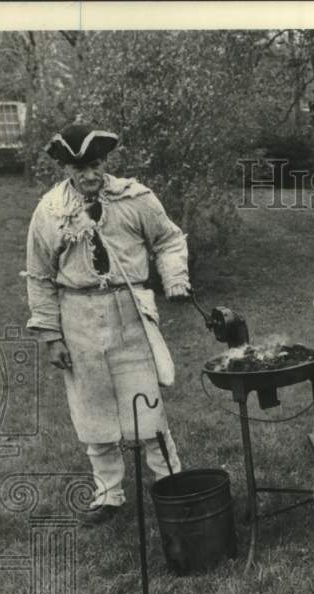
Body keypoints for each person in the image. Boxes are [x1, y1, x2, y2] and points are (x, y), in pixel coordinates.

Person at [24, 122, 191, 525]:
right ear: (66, 170)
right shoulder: (49, 212)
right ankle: (108, 494)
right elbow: (40, 275)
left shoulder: (135, 199)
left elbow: (169, 239)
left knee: (147, 407)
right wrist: (51, 335)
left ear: (105, 163)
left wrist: (175, 279)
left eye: (95, 165)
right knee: (92, 411)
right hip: (78, 315)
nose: (89, 176)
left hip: (129, 311)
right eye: (78, 169)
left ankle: (172, 483)